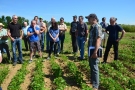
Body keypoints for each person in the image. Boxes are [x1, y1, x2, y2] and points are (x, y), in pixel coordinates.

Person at [85, 13, 102, 90]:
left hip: (94, 50)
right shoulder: (92, 27)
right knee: (91, 65)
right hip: (91, 49)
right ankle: (92, 80)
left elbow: (98, 39)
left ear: (94, 18)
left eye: (89, 18)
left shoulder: (97, 26)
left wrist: (95, 52)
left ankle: (95, 86)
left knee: (95, 66)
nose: (88, 20)